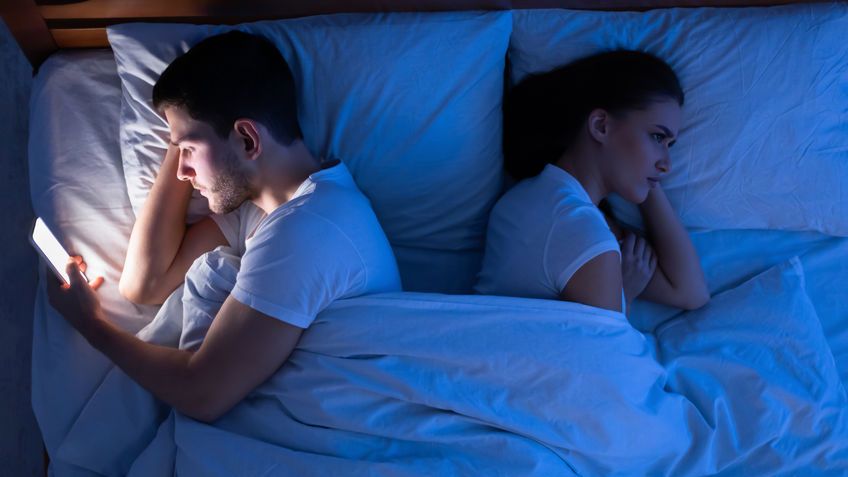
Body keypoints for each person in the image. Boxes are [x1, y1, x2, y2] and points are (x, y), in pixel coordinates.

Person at [47, 31, 401, 422]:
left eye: (188, 150)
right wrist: (186, 130)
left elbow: (202, 393)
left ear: (247, 140)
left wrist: (90, 325)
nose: (182, 172)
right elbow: (146, 284)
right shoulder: (261, 210)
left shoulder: (309, 226)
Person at [475, 50, 709, 315]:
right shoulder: (580, 229)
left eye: (669, 145)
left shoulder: (538, 198)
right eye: (657, 137)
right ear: (600, 126)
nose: (667, 164)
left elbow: (690, 292)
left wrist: (647, 175)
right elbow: (607, 345)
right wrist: (625, 295)